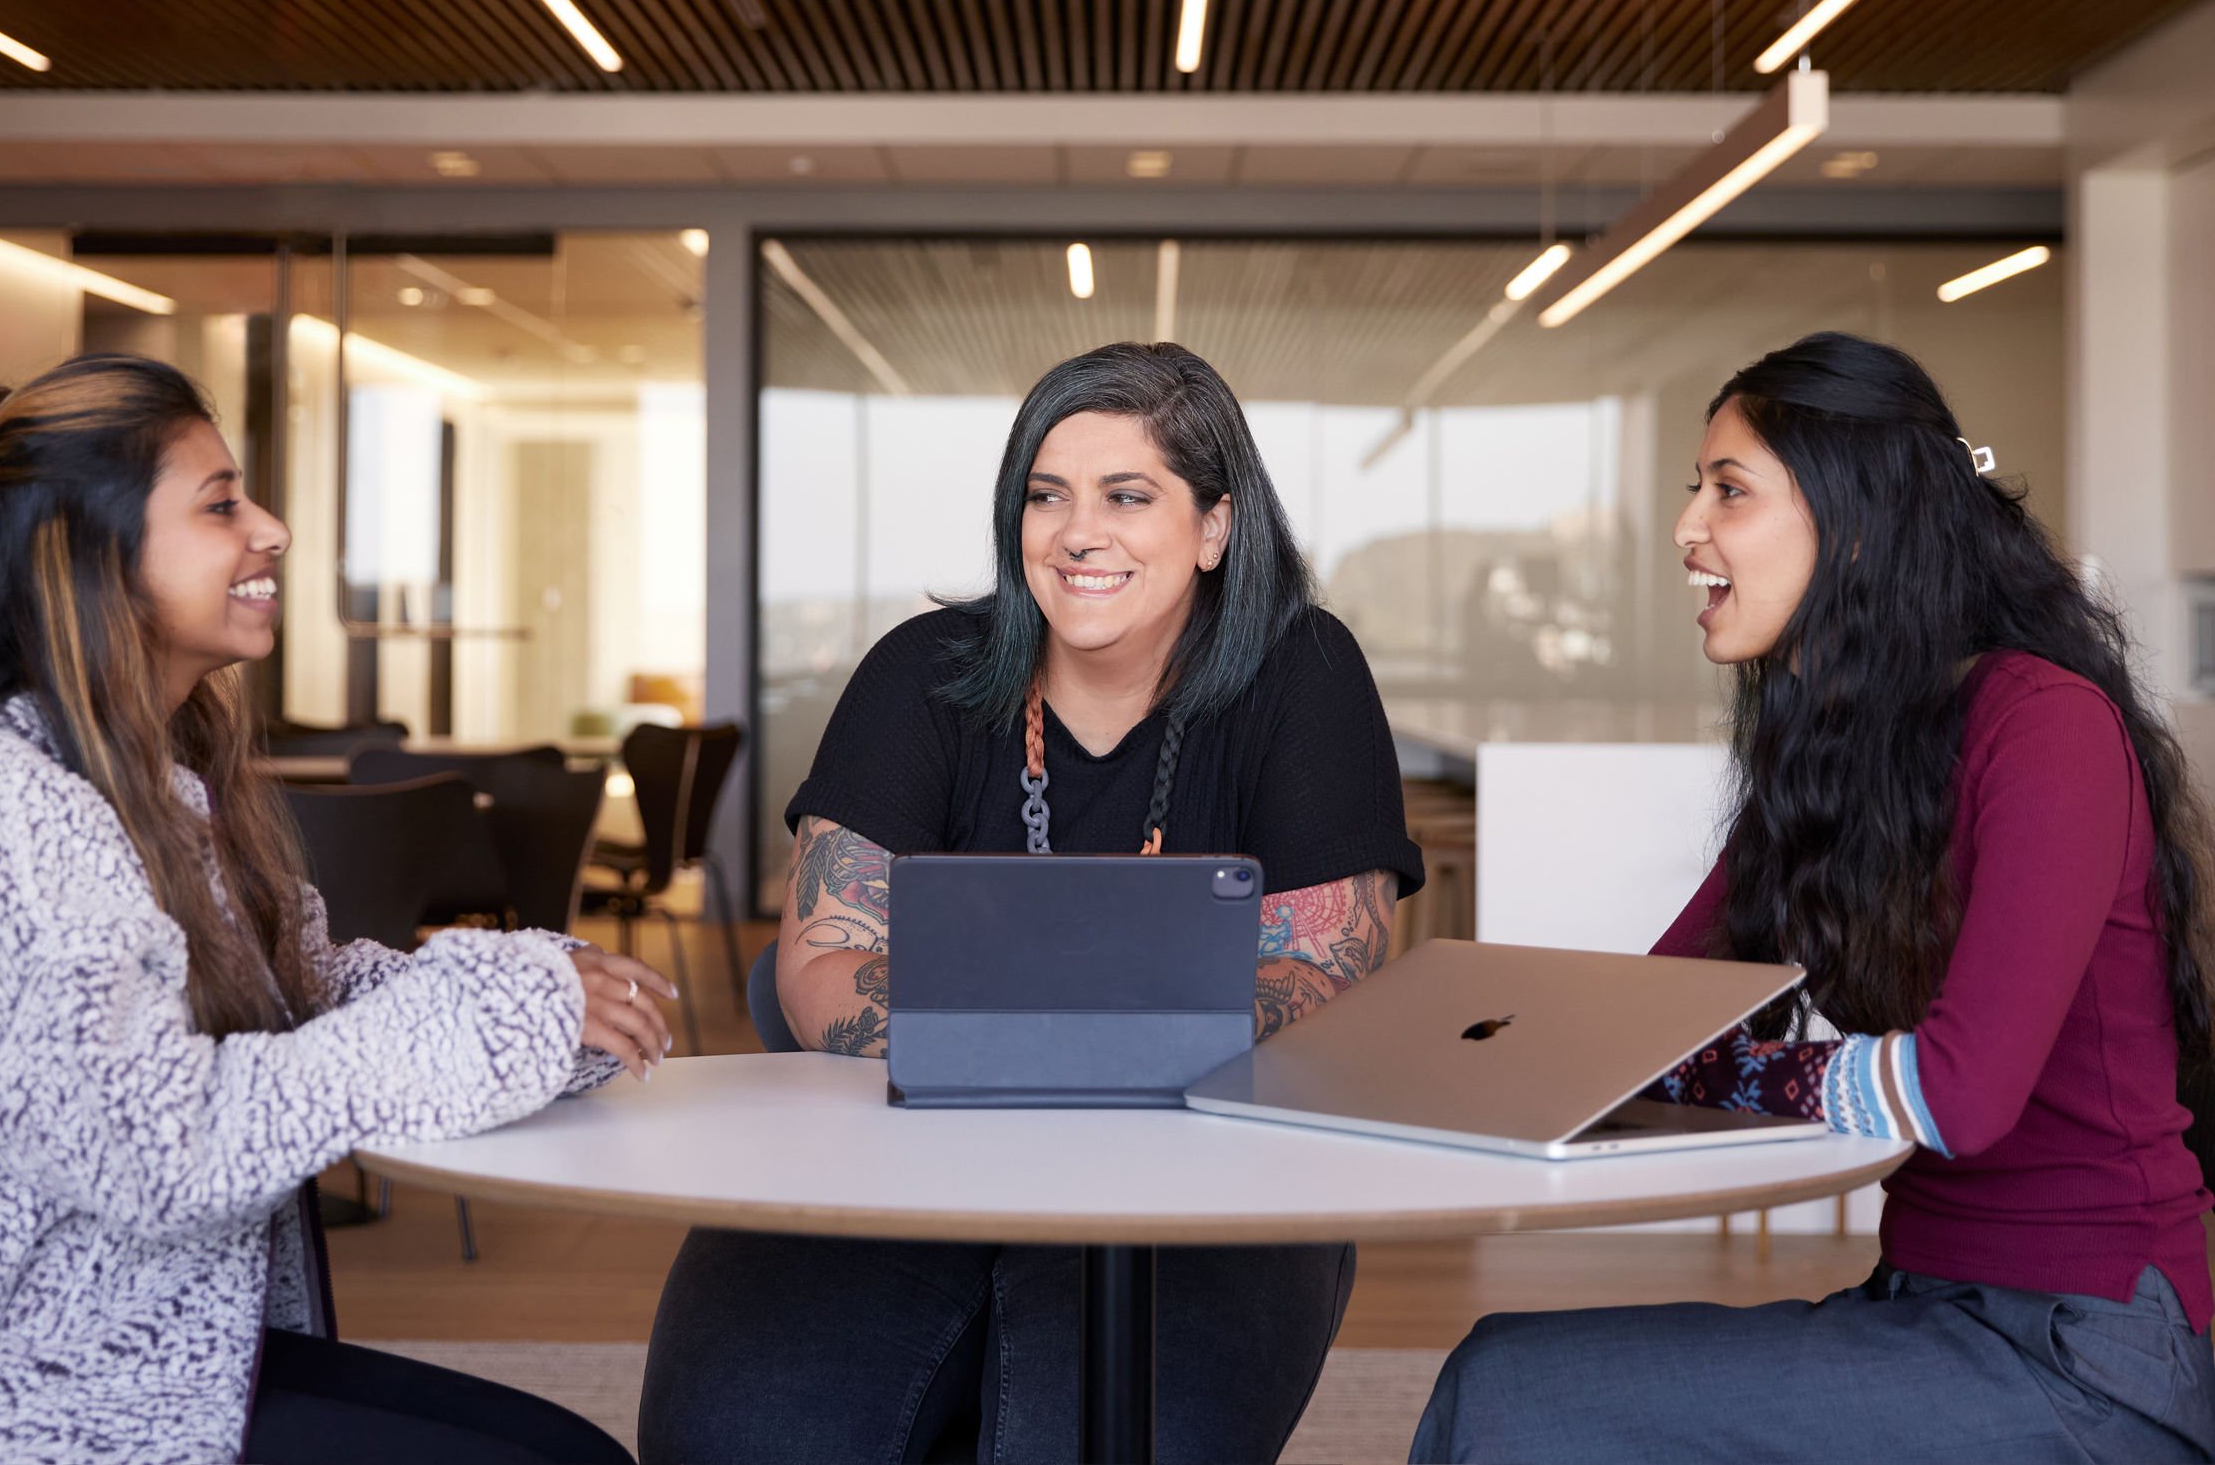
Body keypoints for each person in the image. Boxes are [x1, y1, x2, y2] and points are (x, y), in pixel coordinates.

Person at [0, 356, 670, 1465]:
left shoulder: (150, 783)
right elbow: (149, 1150)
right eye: (221, 503)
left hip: (138, 1357)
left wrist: (549, 997)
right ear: (91, 557)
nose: (270, 529)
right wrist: (502, 1015)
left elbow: (305, 992)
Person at [1410, 332, 2215, 1464]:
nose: (1686, 528)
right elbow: (1643, 1025)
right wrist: (1454, 1050)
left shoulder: (2042, 727)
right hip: (1925, 1306)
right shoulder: (1838, 752)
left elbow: (1959, 1095)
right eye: (1694, 489)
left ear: (1858, 517)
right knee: (1504, 1372)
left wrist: (1732, 1071)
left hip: (2084, 1360)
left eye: (1728, 490)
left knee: (1513, 1398)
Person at [639, 342, 1426, 1464]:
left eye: (1126, 495)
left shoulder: (1300, 674)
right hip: (900, 1154)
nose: (1075, 533)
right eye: (1044, 495)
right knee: (733, 1436)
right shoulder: (922, 671)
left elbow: (1326, 977)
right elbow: (822, 963)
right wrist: (1130, 1026)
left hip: (1202, 1185)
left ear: (1213, 527)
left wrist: (1009, 1027)